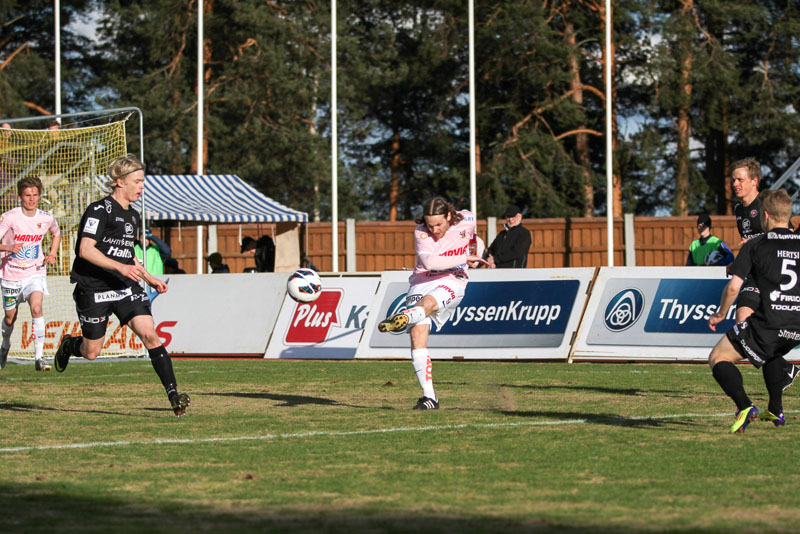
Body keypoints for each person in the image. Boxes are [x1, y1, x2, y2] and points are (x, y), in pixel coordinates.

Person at [53, 154, 190, 416]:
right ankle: (70, 345)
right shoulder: (98, 210)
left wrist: (150, 278)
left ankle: (173, 395)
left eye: (142, 182)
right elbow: (85, 249)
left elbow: (128, 255)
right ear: (120, 182)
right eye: (137, 181)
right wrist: (120, 266)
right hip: (93, 287)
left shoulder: (134, 215)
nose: (141, 187)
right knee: (91, 351)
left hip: (125, 286)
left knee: (150, 334)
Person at [377, 197, 487, 410]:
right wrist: (465, 258)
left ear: (448, 216)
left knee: (428, 303)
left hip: (453, 280)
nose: (434, 229)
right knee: (417, 336)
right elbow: (430, 262)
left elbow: (474, 238)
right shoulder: (421, 232)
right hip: (421, 281)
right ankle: (430, 398)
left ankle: (407, 316)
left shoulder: (467, 218)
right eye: (430, 225)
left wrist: (476, 252)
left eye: (438, 224)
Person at [708, 189, 800, 432]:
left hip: (771, 323)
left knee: (719, 357)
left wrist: (719, 314)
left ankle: (745, 405)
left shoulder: (757, 244)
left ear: (766, 215)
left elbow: (733, 288)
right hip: (797, 326)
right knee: (770, 351)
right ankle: (777, 410)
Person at [730, 157, 799, 390]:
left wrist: (755, 242)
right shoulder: (739, 209)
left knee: (746, 322)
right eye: (733, 180)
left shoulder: (766, 204)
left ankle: (781, 372)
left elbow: (787, 232)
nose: (735, 184)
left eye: (740, 179)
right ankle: (784, 369)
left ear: (754, 181)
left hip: (774, 279)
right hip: (756, 276)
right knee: (742, 321)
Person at [0, 177, 61, 371]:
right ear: (20, 197)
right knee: (10, 318)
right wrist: (9, 247)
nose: (31, 199)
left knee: (36, 308)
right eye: (27, 195)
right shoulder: (9, 217)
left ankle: (39, 357)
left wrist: (52, 253)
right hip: (11, 274)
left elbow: (56, 233)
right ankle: (5, 346)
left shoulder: (45, 217)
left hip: (35, 272)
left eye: (35, 195)